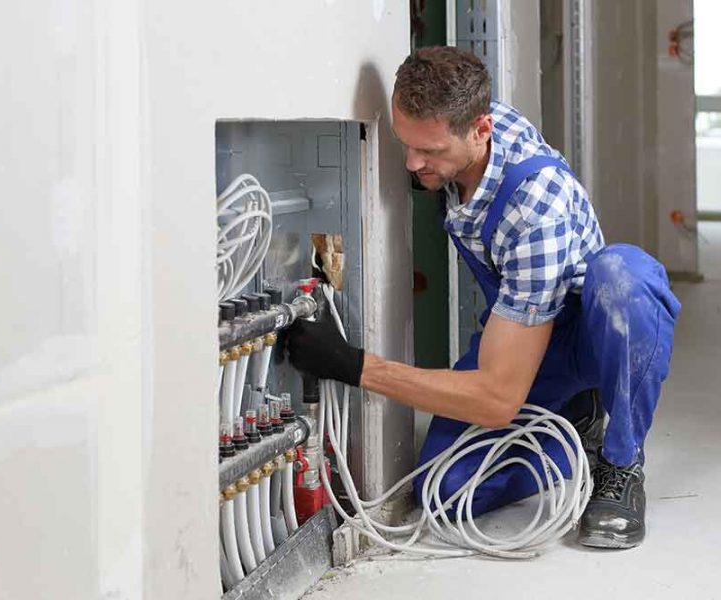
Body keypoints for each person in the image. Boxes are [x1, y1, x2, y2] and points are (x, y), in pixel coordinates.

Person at [285, 46, 681, 549]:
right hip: (525, 326)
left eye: (430, 152)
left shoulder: (539, 209)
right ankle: (577, 429)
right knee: (446, 493)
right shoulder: (465, 125)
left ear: (481, 131)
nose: (412, 162)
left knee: (623, 278)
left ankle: (622, 462)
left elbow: (496, 399)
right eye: (407, 143)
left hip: (589, 329)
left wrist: (355, 365)